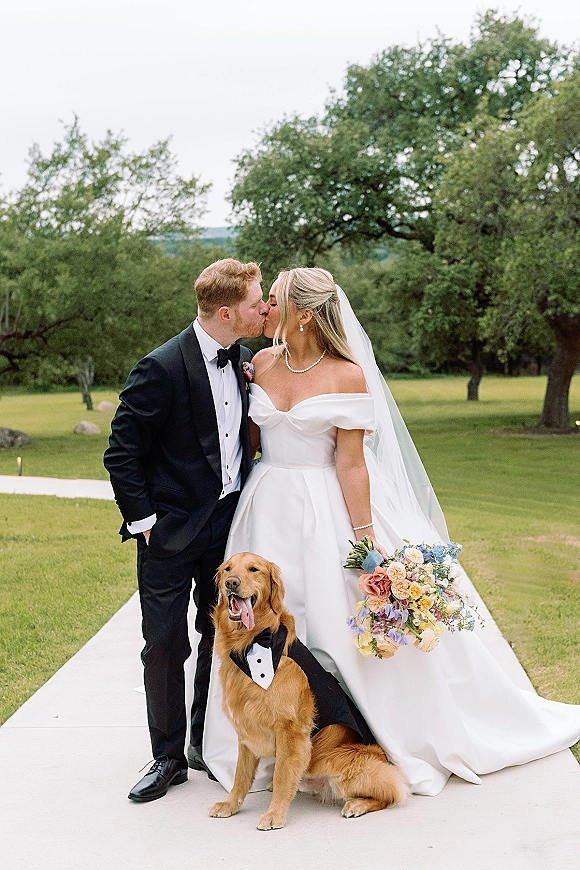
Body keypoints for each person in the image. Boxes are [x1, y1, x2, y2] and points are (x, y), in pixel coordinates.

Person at [203, 266, 580, 797]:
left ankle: (349, 736)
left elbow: (352, 465)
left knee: (331, 625)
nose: (265, 308)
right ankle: (261, 740)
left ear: (304, 314)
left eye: (274, 300)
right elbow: (247, 442)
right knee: (259, 622)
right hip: (265, 506)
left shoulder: (347, 375)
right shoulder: (260, 363)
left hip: (325, 510)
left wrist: (362, 541)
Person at [104, 258, 268, 802]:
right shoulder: (160, 368)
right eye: (254, 301)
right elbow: (121, 453)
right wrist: (145, 521)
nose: (262, 307)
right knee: (164, 645)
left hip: (226, 527)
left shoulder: (244, 360)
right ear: (227, 311)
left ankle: (202, 739)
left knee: (219, 635)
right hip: (168, 534)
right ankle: (166, 757)